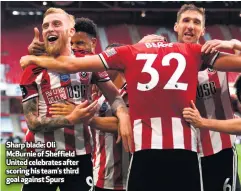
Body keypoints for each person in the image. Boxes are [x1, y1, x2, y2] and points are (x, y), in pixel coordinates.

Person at [20, 8, 130, 191]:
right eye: (45, 25)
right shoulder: (33, 68)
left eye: (56, 24)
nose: (49, 29)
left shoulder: (88, 63)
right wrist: (70, 119)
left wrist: (123, 114)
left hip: (79, 158)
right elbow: (32, 122)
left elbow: (115, 97)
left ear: (71, 31)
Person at [172, 4, 240, 191]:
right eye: (186, 20)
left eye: (196, 22)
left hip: (220, 152)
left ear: (203, 30)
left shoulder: (216, 59)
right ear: (176, 27)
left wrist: (234, 44)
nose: (191, 26)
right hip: (182, 153)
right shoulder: (164, 62)